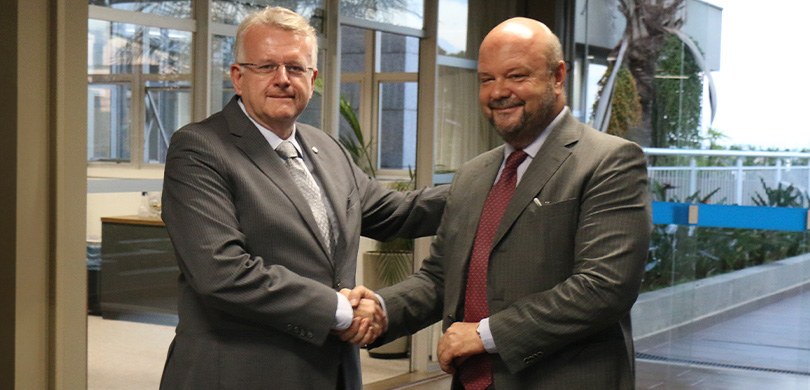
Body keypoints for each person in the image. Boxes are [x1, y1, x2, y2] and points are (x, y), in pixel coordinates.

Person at [352, 17, 651, 389]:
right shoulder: (474, 174)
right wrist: (380, 309)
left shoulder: (610, 161)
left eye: (517, 75)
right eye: (487, 79)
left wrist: (486, 334)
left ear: (558, 76)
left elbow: (603, 287)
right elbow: (441, 278)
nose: (498, 91)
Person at [158, 6, 446, 390]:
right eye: (266, 67)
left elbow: (395, 213)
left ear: (312, 78)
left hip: (331, 372)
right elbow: (222, 272)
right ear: (237, 77)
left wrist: (491, 184)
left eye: (295, 68)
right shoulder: (199, 149)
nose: (282, 80)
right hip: (239, 375)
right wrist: (340, 310)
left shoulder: (325, 147)